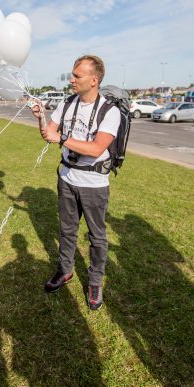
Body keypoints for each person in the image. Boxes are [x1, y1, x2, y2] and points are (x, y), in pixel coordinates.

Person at [32, 55, 120, 310]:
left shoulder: (109, 111)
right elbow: (48, 134)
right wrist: (41, 117)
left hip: (94, 183)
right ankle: (65, 270)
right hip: (67, 178)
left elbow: (95, 148)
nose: (71, 79)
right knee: (67, 230)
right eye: (72, 74)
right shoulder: (67, 103)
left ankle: (95, 282)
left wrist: (60, 138)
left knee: (97, 236)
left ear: (94, 80)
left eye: (77, 75)